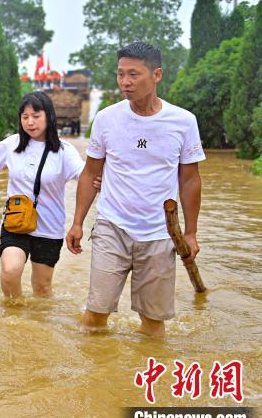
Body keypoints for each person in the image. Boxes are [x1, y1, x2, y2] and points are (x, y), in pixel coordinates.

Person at [66, 42, 205, 337]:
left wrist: (190, 232)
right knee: (94, 316)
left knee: (153, 324)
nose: (125, 82)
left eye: (133, 74)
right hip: (112, 226)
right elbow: (91, 172)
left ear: (157, 75)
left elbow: (190, 180)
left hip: (159, 233)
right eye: (120, 74)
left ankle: (144, 379)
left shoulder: (183, 121)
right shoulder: (106, 119)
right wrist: (77, 222)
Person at [0, 91, 86, 300]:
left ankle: (36, 327)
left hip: (48, 228)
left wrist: (79, 221)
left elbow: (86, 177)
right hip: (15, 222)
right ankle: (15, 317)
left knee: (42, 288)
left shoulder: (64, 151)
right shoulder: (12, 144)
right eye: (25, 116)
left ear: (48, 116)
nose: (30, 122)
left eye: (36, 116)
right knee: (10, 272)